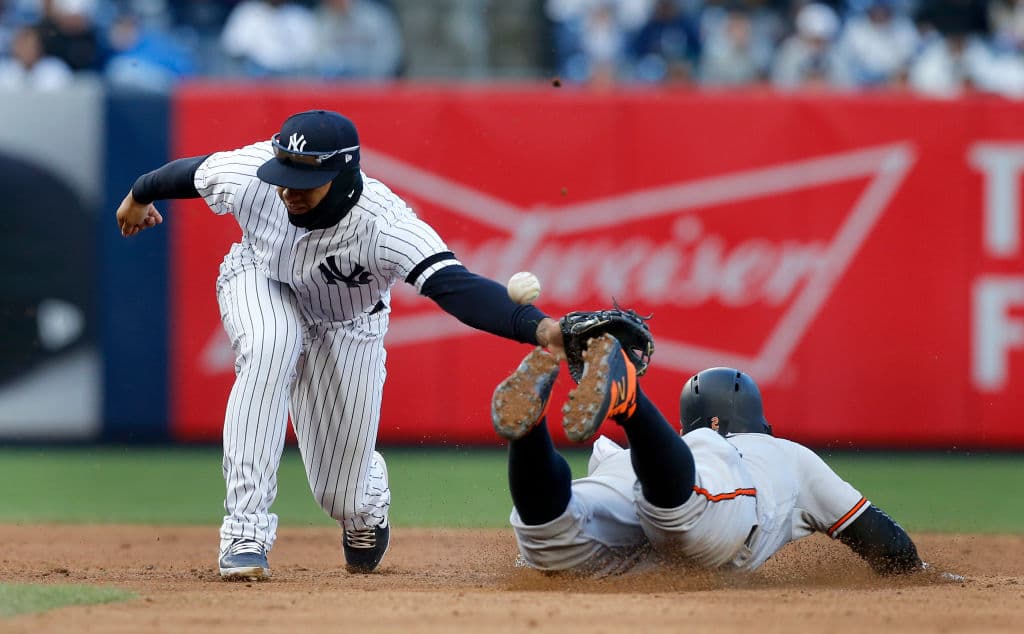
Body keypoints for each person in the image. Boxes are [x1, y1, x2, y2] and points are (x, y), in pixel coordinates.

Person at [115, 110, 566, 580]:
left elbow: (454, 285)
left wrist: (540, 328)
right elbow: (183, 174)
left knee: (340, 495)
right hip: (260, 280)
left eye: (304, 182)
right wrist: (138, 196)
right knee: (270, 347)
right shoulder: (251, 175)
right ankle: (245, 533)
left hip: (348, 322)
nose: (288, 191)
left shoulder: (384, 224)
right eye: (283, 175)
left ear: (344, 175)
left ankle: (366, 506)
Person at [490, 333, 926, 577]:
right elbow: (884, 542)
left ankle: (529, 432)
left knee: (551, 536)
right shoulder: (783, 453)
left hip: (629, 467)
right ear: (758, 421)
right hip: (704, 487)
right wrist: (919, 575)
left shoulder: (659, 452)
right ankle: (631, 405)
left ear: (685, 424)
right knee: (684, 517)